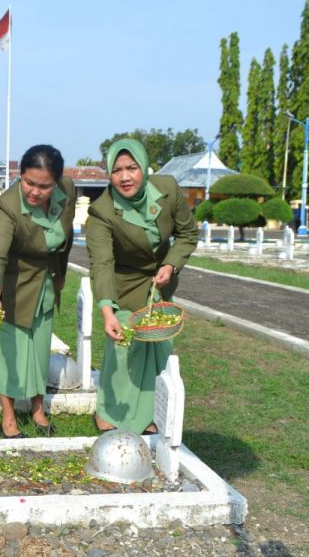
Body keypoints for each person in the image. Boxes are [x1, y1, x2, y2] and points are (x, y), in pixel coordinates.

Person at [86, 138, 198, 434]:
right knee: (123, 348)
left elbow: (188, 233)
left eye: (132, 168)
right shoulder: (102, 212)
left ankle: (150, 416)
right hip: (122, 283)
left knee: (159, 347)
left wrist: (170, 264)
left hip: (160, 283)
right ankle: (108, 412)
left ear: (144, 166)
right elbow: (102, 263)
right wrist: (107, 310)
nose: (125, 177)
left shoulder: (168, 190)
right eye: (117, 170)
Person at [0, 145, 75, 439]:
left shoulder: (67, 191)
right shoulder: (7, 207)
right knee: (7, 354)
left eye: (44, 186)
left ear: (56, 182)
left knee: (38, 352)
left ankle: (37, 410)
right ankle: (8, 418)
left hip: (44, 284)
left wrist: (59, 272)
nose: (34, 191)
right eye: (29, 182)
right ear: (20, 175)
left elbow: (66, 235)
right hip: (10, 286)